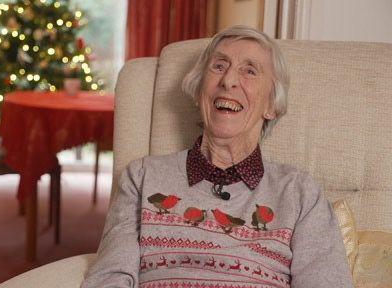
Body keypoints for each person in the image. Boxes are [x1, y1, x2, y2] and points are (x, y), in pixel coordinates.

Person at [81, 25, 353, 288]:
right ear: (199, 91)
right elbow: (109, 277)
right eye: (219, 66)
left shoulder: (300, 193)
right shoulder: (142, 177)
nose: (229, 81)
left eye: (249, 71)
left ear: (271, 105)